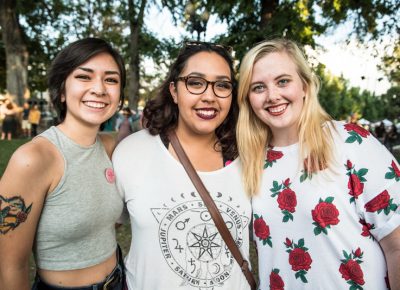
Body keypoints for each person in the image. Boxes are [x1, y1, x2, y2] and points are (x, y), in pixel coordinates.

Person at [236, 38, 400, 289]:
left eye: (283, 81)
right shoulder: (251, 162)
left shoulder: (351, 142)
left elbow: (397, 245)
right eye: (258, 87)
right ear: (248, 98)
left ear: (304, 85)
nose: (272, 95)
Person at [112, 41, 252, 290]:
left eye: (222, 85)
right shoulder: (132, 152)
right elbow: (102, 230)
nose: (209, 96)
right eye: (195, 82)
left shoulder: (250, 156)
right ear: (174, 91)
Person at [0, 38, 126, 290]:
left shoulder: (111, 147)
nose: (100, 89)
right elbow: (9, 267)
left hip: (119, 279)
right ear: (61, 90)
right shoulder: (34, 158)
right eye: (84, 77)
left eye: (111, 79)